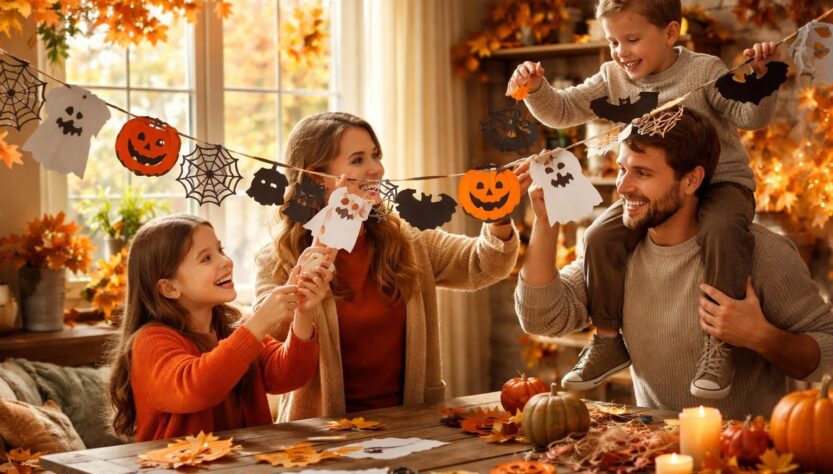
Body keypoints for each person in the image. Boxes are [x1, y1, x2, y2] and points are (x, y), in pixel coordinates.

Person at [506, 0, 782, 399]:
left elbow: (750, 117)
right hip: (656, 193)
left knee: (722, 232)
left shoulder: (704, 71)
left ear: (670, 33)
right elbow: (564, 110)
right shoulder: (613, 77)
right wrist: (536, 89)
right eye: (613, 41)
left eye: (632, 39)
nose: (621, 51)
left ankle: (719, 345)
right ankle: (606, 339)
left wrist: (762, 79)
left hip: (721, 185)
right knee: (600, 235)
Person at [514, 109, 833, 419]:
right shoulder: (615, 251)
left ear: (691, 180)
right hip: (655, 455)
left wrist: (761, 336)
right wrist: (546, 221)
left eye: (642, 173)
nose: (622, 187)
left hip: (748, 459)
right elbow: (542, 318)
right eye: (622, 169)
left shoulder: (763, 254)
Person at [254, 112, 522, 422]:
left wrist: (498, 215)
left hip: (413, 426)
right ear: (317, 178)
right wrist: (330, 236)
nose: (376, 169)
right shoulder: (277, 257)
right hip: (321, 435)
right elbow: (267, 341)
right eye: (358, 160)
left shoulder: (409, 240)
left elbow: (484, 264)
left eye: (375, 155)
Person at [108, 214, 330, 441]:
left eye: (220, 250)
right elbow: (197, 388)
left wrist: (302, 310)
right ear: (169, 288)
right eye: (206, 258)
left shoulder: (235, 329)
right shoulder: (150, 342)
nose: (226, 261)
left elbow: (290, 376)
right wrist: (260, 321)